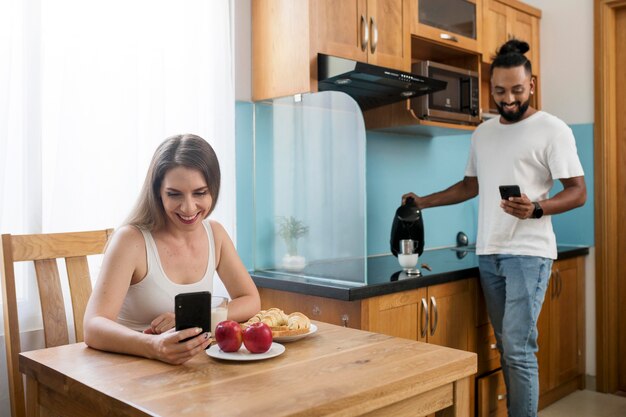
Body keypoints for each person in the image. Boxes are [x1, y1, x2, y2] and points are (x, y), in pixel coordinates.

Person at [402, 40, 586, 417]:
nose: (509, 99)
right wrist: (424, 201)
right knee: (506, 346)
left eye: (517, 90)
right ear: (491, 88)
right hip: (490, 253)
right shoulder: (482, 134)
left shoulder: (553, 129)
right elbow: (470, 185)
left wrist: (536, 208)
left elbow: (578, 192)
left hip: (529, 254)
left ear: (531, 84)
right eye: (500, 91)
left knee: (517, 349)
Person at [84, 134, 261, 365]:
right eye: (174, 194)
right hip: (131, 370)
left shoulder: (214, 234)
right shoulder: (131, 240)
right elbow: (93, 325)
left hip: (188, 370)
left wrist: (189, 318)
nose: (188, 208)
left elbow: (251, 299)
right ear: (158, 192)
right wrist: (154, 346)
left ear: (213, 190)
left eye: (199, 193)